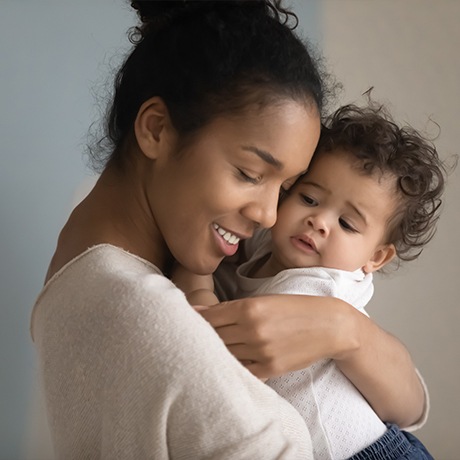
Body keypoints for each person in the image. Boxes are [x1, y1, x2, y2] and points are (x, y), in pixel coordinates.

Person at [29, 0, 426, 458]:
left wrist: (347, 329)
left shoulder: (89, 249)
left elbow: (413, 407)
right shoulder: (153, 316)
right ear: (156, 129)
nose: (269, 216)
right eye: (250, 173)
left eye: (286, 187)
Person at [174, 103, 444, 459]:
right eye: (309, 198)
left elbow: (224, 364)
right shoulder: (271, 244)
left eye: (347, 224)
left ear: (375, 258)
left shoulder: (315, 287)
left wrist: (195, 282)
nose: (318, 221)